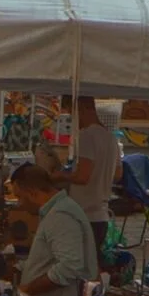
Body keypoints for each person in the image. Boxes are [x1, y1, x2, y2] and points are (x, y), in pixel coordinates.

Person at [8, 163, 96, 296]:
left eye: (20, 197)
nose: (20, 204)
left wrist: (27, 290)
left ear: (32, 192)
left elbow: (70, 266)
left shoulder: (61, 216)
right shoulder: (55, 212)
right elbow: (50, 258)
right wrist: (21, 268)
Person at [48, 96, 120, 261]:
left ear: (83, 109)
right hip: (101, 214)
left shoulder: (87, 136)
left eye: (73, 115)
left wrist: (60, 175)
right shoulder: (111, 138)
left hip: (85, 215)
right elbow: (117, 174)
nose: (73, 122)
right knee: (92, 265)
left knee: (78, 267)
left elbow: (83, 177)